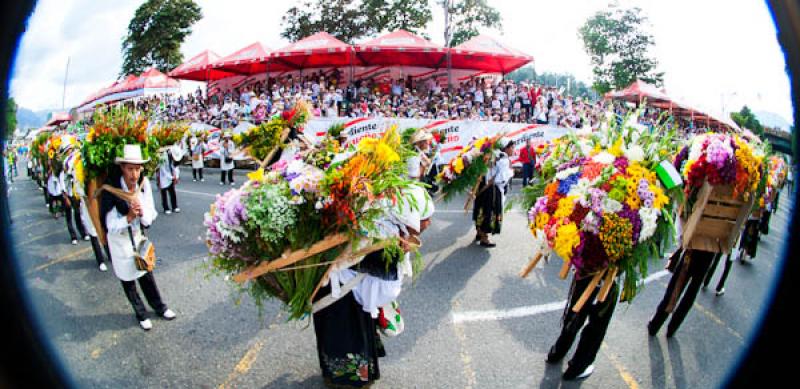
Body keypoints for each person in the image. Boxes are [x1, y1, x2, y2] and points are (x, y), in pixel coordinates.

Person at [313, 186, 433, 388]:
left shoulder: (387, 226)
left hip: (343, 294)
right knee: (346, 339)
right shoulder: (383, 237)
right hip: (342, 298)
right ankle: (345, 382)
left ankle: (337, 375)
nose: (428, 224)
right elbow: (385, 292)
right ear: (410, 216)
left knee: (341, 336)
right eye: (424, 219)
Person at [100, 144, 176, 331]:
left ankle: (160, 307)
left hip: (138, 236)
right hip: (120, 241)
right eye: (130, 169)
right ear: (122, 168)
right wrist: (128, 217)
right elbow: (110, 225)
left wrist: (142, 214)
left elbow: (150, 214)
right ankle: (141, 314)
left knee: (146, 273)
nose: (134, 174)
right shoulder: (111, 190)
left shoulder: (143, 185)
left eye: (137, 168)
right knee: (128, 278)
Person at [545, 264, 619, 380]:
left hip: (588, 267)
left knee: (576, 311)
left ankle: (557, 351)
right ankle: (578, 366)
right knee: (597, 322)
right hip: (608, 276)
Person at [648, 248, 716, 337]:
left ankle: (655, 324)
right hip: (709, 253)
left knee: (675, 287)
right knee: (691, 293)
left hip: (694, 248)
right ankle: (672, 328)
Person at [472, 138, 514, 247]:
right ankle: (484, 238)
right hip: (492, 189)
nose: (513, 150)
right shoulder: (503, 158)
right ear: (506, 148)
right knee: (489, 212)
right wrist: (511, 172)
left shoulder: (492, 155)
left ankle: (479, 232)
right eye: (512, 147)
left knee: (480, 209)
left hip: (483, 187)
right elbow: (501, 179)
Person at [156, 145, 181, 214]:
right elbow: (163, 169)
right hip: (163, 176)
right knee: (164, 193)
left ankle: (174, 206)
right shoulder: (163, 156)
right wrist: (172, 177)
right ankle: (166, 208)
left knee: (172, 192)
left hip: (170, 175)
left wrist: (176, 176)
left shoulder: (173, 156)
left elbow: (175, 167)